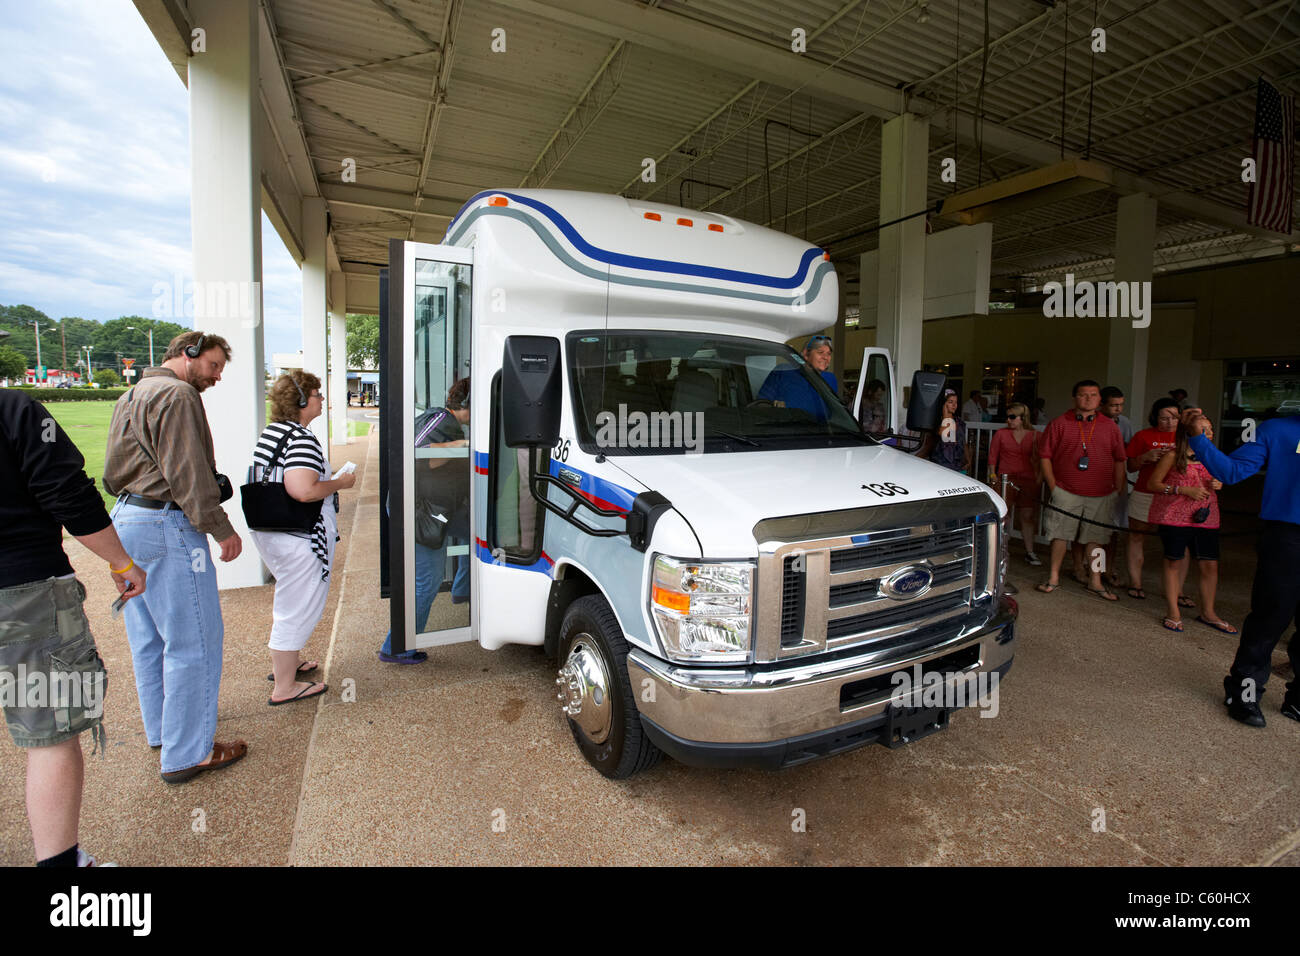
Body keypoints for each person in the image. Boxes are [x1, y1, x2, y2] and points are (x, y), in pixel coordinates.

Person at [1, 388, 147, 866]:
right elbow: (68, 492)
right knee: (50, 734)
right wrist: (121, 562)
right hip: (24, 592)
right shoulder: (15, 410)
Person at [102, 331, 247, 784]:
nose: (218, 376)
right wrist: (221, 529)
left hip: (126, 518)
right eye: (215, 364)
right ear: (189, 354)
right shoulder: (179, 394)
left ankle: (166, 734)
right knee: (194, 641)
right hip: (166, 524)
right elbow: (187, 475)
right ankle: (188, 754)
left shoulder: (132, 393)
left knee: (148, 638)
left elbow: (110, 474)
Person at [1180, 405, 1300, 728]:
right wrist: (1197, 439)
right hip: (1286, 536)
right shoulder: (1277, 429)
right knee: (1270, 617)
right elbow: (1231, 472)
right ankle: (1243, 691)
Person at [248, 372, 355, 704]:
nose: (322, 399)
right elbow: (303, 490)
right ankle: (285, 686)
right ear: (302, 401)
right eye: (317, 394)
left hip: (275, 533)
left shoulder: (275, 433)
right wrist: (340, 483)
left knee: (290, 597)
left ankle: (289, 664)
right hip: (300, 537)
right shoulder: (302, 438)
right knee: (299, 605)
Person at [380, 378, 472, 664]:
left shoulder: (447, 421)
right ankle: (396, 647)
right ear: (469, 404)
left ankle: (462, 590)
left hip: (440, 510)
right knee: (426, 581)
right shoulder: (440, 418)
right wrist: (463, 444)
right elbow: (418, 452)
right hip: (420, 513)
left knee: (482, 532)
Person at [1035, 380, 1127, 600]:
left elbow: (1119, 459)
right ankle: (1053, 576)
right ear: (1075, 397)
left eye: (1093, 395)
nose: (1088, 399)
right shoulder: (1059, 423)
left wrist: (1118, 487)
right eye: (1083, 394)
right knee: (1059, 535)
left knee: (1099, 539)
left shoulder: (1110, 426)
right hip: (1066, 490)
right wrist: (1053, 486)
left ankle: (1095, 581)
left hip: (1102, 492)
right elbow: (1044, 456)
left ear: (1099, 400)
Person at [1147, 420, 1232, 636]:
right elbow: (1153, 484)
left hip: (1207, 516)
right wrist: (1182, 489)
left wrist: (1219, 483)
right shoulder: (1173, 456)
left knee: (1209, 564)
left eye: (1211, 428)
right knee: (1174, 560)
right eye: (1204, 429)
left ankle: (1208, 612)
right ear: (1190, 433)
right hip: (1175, 516)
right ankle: (1173, 611)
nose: (1210, 433)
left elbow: (1224, 477)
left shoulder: (1214, 456)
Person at [1123, 399, 1185, 602]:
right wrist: (1145, 457)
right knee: (1137, 536)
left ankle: (1178, 590)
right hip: (1144, 491)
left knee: (1178, 542)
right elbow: (1130, 466)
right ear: (1155, 417)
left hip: (1176, 495)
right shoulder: (1143, 436)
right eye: (1163, 418)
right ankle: (1135, 582)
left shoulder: (1187, 438)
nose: (1169, 422)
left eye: (1174, 418)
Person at [989, 402, 1042, 566]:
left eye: (1012, 417)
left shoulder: (1035, 435)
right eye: (1008, 416)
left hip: (1027, 479)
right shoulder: (1001, 434)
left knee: (1027, 516)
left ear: (1022, 418)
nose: (1009, 420)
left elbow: (1041, 459)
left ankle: (1030, 551)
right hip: (1005, 478)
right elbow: (993, 456)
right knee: (1004, 515)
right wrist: (992, 475)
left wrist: (1039, 478)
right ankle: (1000, 549)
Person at [1099, 386, 1134, 586]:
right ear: (1102, 405)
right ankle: (1093, 567)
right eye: (1113, 405)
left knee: (1112, 531)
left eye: (1121, 405)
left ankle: (1107, 568)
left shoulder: (1125, 424)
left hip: (1117, 481)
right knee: (1095, 531)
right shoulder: (1092, 423)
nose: (1118, 409)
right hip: (1094, 481)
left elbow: (1127, 453)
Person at [757, 335, 839, 421]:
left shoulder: (830, 379)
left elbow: (835, 413)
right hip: (785, 429)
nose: (825, 357)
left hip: (820, 431)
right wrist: (776, 409)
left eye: (829, 354)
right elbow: (761, 404)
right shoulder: (783, 371)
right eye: (820, 352)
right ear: (806, 354)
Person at [917, 388, 970, 472]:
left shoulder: (959, 422)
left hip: (958, 466)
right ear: (943, 404)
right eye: (950, 402)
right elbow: (943, 439)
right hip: (941, 466)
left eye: (956, 402)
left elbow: (963, 442)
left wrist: (968, 460)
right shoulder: (937, 422)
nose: (954, 405)